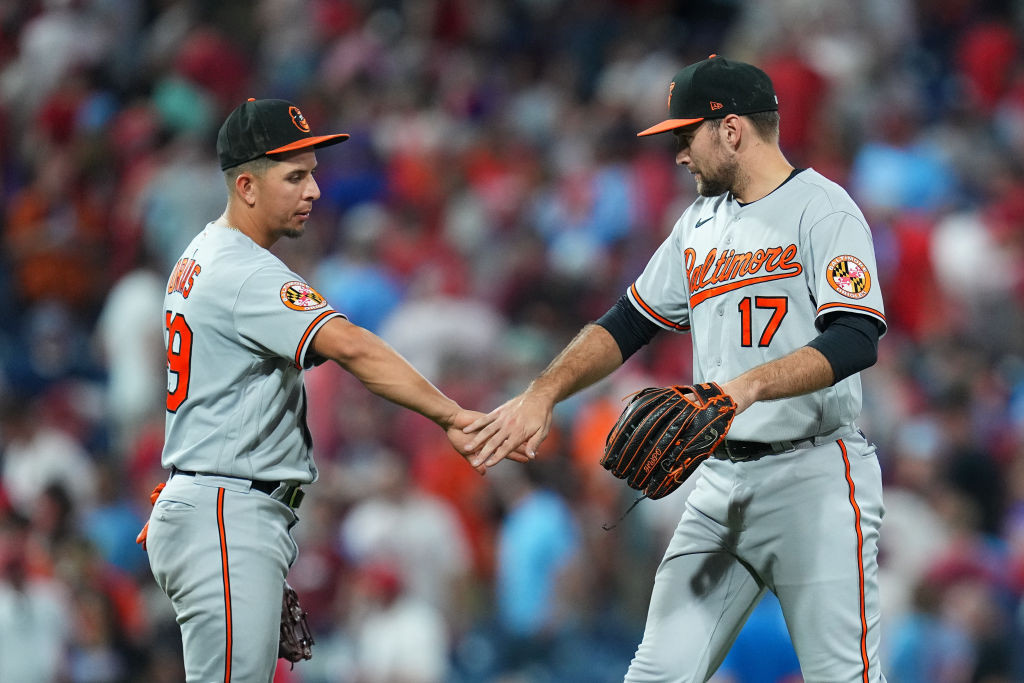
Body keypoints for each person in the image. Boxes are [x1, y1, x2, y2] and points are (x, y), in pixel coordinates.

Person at [465, 55, 888, 682]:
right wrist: (543, 392)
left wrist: (742, 388)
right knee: (656, 675)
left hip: (817, 476)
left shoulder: (823, 209)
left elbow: (856, 338)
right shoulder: (698, 224)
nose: (678, 154)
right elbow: (629, 322)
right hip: (719, 481)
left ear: (731, 129)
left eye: (685, 136)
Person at [140, 98, 521, 682]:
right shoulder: (244, 270)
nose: (314, 190)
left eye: (312, 173)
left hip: (220, 507)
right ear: (245, 185)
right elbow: (354, 347)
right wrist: (451, 416)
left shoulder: (200, 254)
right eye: (295, 177)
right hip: (225, 511)